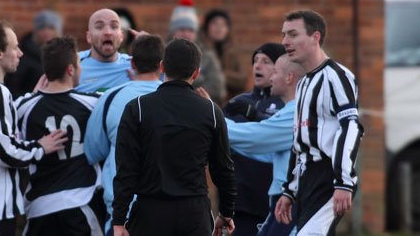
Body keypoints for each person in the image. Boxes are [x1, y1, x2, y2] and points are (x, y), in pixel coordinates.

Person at [112, 39, 236, 236]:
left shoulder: (138, 108)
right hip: (193, 213)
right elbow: (223, 168)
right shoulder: (211, 111)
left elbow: (126, 169)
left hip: (150, 212)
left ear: (162, 66)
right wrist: (227, 211)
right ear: (196, 73)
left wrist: (118, 219)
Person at [0, 21, 68, 236]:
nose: (20, 53)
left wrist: (32, 98)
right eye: (15, 47)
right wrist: (40, 147)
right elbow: (5, 151)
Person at [275, 10, 364, 235]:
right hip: (307, 179)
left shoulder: (338, 76)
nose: (285, 41)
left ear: (315, 37)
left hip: (328, 176)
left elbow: (350, 127)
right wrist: (290, 190)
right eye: (284, 35)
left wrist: (343, 182)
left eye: (293, 34)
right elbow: (299, 141)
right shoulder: (304, 83)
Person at [15, 36, 104, 236]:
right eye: (79, 63)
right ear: (70, 70)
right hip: (79, 203)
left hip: (39, 208)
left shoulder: (23, 107)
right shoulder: (94, 103)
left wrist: (33, 95)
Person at [84, 34, 164, 235]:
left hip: (122, 214)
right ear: (162, 65)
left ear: (133, 63)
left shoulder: (111, 97)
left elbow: (92, 152)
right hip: (170, 212)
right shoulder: (181, 100)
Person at [221, 55, 305, 236]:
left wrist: (214, 120)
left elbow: (257, 137)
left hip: (291, 200)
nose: (271, 78)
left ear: (289, 78)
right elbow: (262, 151)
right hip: (281, 200)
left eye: (274, 72)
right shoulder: (289, 111)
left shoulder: (296, 113)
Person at [168, 0, 226, 104]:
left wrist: (187, 91)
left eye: (190, 30)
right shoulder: (163, 53)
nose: (186, 34)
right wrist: (198, 80)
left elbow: (218, 89)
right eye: (181, 29)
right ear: (173, 32)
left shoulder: (208, 56)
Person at [5, 9, 63, 98]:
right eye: (42, 27)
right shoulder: (22, 55)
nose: (46, 32)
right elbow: (13, 86)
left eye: (51, 28)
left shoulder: (64, 55)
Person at [76, 9, 131, 93]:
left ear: (121, 36)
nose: (108, 32)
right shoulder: (73, 64)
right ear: (89, 37)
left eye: (114, 27)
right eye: (99, 27)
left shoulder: (134, 65)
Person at [202, 9, 247, 99]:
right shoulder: (201, 51)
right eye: (215, 23)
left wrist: (222, 75)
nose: (219, 28)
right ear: (207, 27)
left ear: (228, 29)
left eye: (223, 25)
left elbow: (242, 79)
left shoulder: (233, 52)